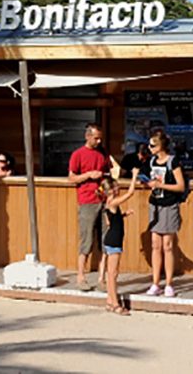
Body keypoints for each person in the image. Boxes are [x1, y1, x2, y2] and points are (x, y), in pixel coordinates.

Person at [139, 129, 185, 298]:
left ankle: (169, 284)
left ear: (160, 146)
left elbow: (181, 186)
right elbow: (144, 177)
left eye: (152, 145)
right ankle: (155, 283)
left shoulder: (173, 162)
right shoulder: (151, 162)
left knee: (168, 245)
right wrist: (146, 183)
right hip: (155, 205)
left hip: (169, 204)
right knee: (155, 245)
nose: (149, 148)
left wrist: (161, 186)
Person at [68, 123, 111, 291]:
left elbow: (110, 172)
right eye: (96, 138)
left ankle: (102, 279)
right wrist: (88, 175)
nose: (99, 141)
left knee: (105, 241)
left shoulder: (103, 153)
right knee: (86, 240)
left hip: (104, 200)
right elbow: (71, 178)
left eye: (100, 138)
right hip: (87, 201)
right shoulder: (78, 154)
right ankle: (81, 277)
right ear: (87, 137)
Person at [99, 177, 137, 315]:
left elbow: (111, 222)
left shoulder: (108, 204)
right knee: (113, 274)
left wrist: (125, 214)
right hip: (114, 240)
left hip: (112, 238)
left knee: (112, 273)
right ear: (110, 191)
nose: (118, 189)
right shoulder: (113, 201)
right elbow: (130, 193)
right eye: (115, 187)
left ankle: (110, 301)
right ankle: (115, 303)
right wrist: (134, 176)